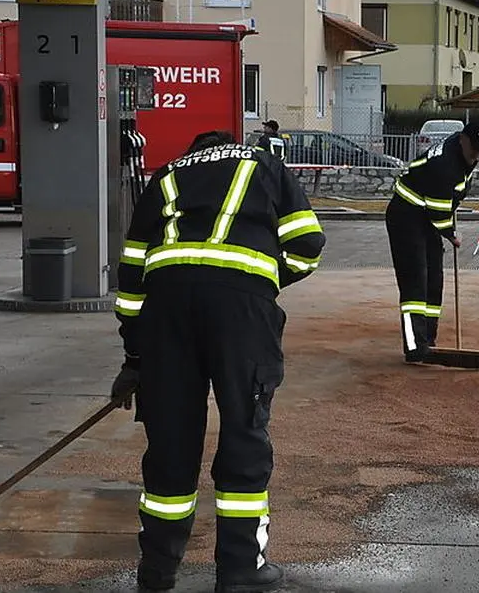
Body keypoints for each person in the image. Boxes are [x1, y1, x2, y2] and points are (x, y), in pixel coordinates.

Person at [110, 130, 326, 592]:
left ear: (196, 152)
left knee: (170, 441)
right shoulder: (265, 164)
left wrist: (135, 356)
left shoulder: (167, 174)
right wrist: (260, 279)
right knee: (243, 435)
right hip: (242, 314)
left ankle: (157, 571)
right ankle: (241, 571)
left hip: (167, 310)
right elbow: (307, 243)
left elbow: (131, 278)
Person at [385, 122, 479, 363]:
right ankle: (415, 347)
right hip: (406, 215)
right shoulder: (444, 165)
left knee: (435, 279)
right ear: (462, 139)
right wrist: (452, 234)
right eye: (474, 148)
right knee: (415, 281)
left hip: (425, 216)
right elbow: (439, 212)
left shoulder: (465, 154)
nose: (477, 154)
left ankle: (428, 340)